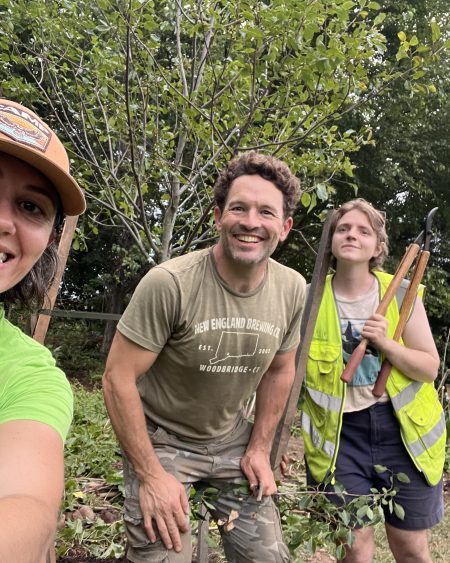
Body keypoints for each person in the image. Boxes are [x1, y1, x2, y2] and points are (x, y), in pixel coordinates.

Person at [102, 151, 307, 563]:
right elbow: (116, 378)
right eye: (239, 208)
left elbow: (280, 371)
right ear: (218, 217)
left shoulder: (292, 289)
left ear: (284, 228)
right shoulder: (170, 284)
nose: (251, 222)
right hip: (162, 439)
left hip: (231, 440)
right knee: (164, 555)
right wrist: (150, 475)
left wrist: (259, 447)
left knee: (266, 558)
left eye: (266, 212)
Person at [301, 198, 446, 563]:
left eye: (363, 231)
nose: (352, 235)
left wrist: (386, 345)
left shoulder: (401, 292)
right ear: (331, 240)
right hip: (340, 436)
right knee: (353, 548)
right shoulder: (308, 298)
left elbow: (429, 367)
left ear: (378, 247)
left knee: (411, 549)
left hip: (402, 433)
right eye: (343, 228)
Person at [0, 98, 86, 562]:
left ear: (48, 240)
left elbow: (27, 506)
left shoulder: (29, 375)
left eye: (30, 206)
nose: (3, 220)